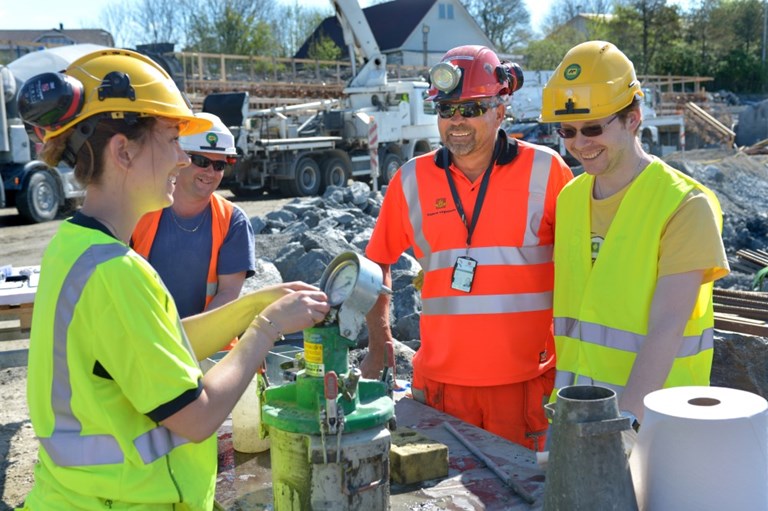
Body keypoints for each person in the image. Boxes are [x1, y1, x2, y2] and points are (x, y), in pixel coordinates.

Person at [16, 48, 329, 509]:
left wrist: (252, 306)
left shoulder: (75, 246)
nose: (184, 160)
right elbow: (198, 418)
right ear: (123, 150)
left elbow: (157, 346)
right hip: (120, 502)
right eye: (171, 139)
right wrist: (268, 328)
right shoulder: (114, 273)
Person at [361, 45, 574, 451]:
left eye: (472, 109)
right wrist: (381, 340)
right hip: (441, 389)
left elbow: (580, 271)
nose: (456, 121)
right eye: (446, 110)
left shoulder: (547, 171)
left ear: (500, 109)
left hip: (525, 387)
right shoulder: (410, 181)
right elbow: (377, 261)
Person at [540, 41, 729, 429]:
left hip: (658, 423)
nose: (579, 143)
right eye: (567, 131)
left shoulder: (685, 205)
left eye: (593, 127)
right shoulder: (570, 199)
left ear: (633, 119)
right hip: (580, 417)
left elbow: (668, 325)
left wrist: (624, 423)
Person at [131, 112, 255, 321]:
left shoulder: (233, 220)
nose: (210, 172)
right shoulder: (140, 210)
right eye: (201, 161)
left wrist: (189, 341)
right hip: (146, 340)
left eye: (219, 166)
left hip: (211, 347)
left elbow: (228, 294)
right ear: (179, 158)